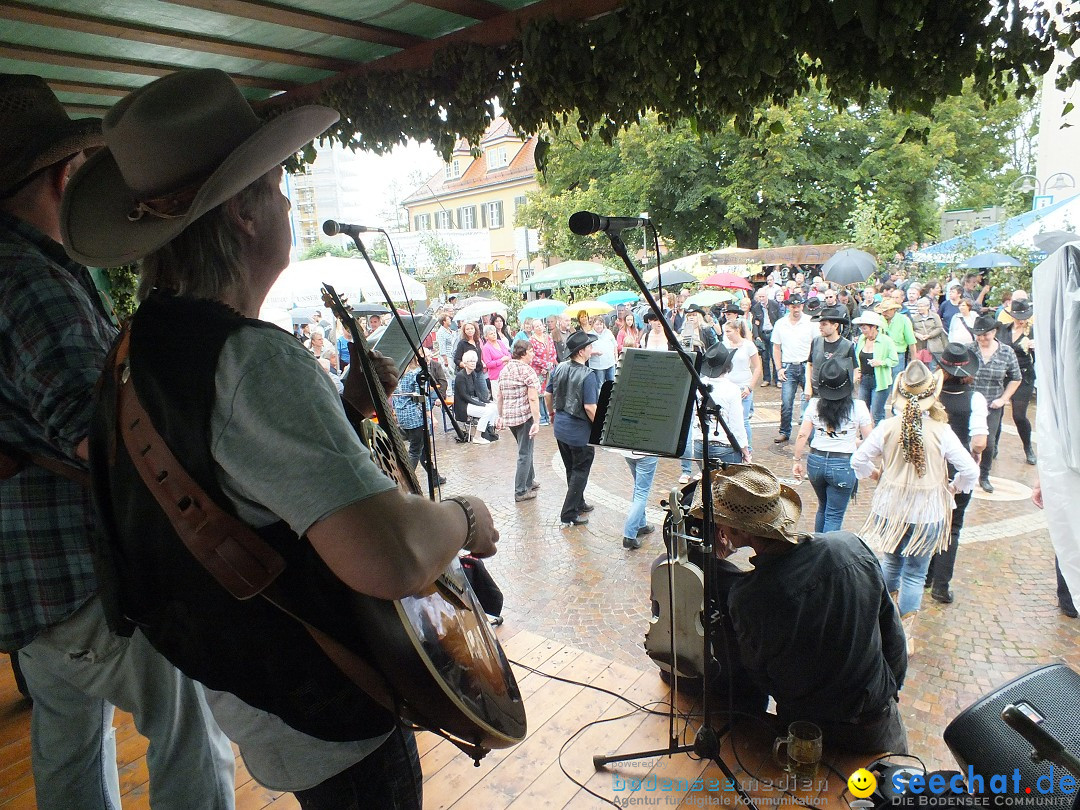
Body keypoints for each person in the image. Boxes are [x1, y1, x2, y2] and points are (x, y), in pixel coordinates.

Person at [67, 69, 500, 809]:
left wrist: (345, 406)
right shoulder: (250, 358)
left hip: (255, 685)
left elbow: (234, 473)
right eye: (276, 188)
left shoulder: (140, 346)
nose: (285, 204)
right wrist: (463, 517)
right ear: (242, 211)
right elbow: (387, 558)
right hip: (328, 702)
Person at [0, 72, 236, 809]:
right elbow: (96, 434)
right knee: (191, 724)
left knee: (68, 749)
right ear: (65, 173)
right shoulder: (31, 279)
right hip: (79, 577)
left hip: (21, 577)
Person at [703, 464, 909, 754]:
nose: (720, 528)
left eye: (722, 522)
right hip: (877, 720)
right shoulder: (850, 546)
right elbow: (892, 631)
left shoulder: (749, 596)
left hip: (807, 732)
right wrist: (888, 691)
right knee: (891, 798)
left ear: (738, 530)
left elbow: (761, 676)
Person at [851, 361, 980, 654]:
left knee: (891, 563)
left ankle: (882, 625)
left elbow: (857, 460)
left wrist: (876, 475)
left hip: (892, 509)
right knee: (914, 573)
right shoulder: (942, 431)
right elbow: (970, 471)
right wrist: (954, 487)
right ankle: (905, 636)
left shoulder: (886, 427)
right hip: (927, 512)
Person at [924, 343, 988, 605]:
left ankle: (925, 576)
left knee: (928, 522)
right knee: (952, 527)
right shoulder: (975, 399)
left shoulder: (929, 396)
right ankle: (940, 584)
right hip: (957, 472)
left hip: (928, 469)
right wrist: (975, 452)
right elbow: (980, 441)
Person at [792, 358, 873, 533]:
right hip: (843, 464)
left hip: (816, 461)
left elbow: (802, 434)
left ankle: (818, 549)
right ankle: (827, 556)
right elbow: (870, 440)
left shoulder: (814, 404)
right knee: (834, 515)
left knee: (823, 507)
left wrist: (797, 459)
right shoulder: (858, 407)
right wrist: (856, 445)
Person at [546, 330, 599, 528]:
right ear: (581, 351)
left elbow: (547, 394)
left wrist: (552, 414)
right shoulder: (588, 375)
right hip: (579, 433)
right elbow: (590, 407)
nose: (591, 350)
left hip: (561, 427)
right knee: (580, 471)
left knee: (571, 468)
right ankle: (569, 513)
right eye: (589, 347)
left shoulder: (559, 368)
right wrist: (599, 428)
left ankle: (580, 502)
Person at [968, 313, 1021, 492]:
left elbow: (1016, 378)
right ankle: (965, 472)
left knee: (988, 442)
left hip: (993, 402)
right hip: (970, 401)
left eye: (986, 334)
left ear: (994, 332)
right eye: (979, 335)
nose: (982, 338)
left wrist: (1004, 398)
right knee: (966, 438)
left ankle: (984, 475)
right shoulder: (969, 350)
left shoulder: (1006, 352)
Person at [687, 343, 752, 472]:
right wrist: (745, 450)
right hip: (725, 446)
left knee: (709, 485)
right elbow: (736, 424)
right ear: (727, 366)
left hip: (700, 445)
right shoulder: (732, 389)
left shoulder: (697, 386)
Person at [497, 340, 541, 502]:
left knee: (526, 449)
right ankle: (521, 491)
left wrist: (501, 415)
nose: (533, 354)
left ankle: (529, 481)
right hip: (524, 417)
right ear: (523, 353)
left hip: (510, 417)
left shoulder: (505, 369)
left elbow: (499, 396)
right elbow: (533, 398)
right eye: (531, 351)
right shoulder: (527, 371)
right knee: (525, 452)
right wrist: (536, 421)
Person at [392, 358, 445, 486]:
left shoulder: (397, 377)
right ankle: (405, 482)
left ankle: (434, 477)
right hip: (415, 418)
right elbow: (420, 397)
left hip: (403, 417)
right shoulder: (415, 375)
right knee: (415, 451)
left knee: (423, 449)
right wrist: (431, 416)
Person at [995, 298, 1036, 465]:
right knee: (996, 412)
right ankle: (993, 446)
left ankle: (1028, 447)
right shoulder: (1003, 330)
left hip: (1024, 376)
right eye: (1019, 316)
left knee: (1019, 415)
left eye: (1024, 316)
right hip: (1003, 375)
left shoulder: (1033, 332)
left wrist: (1036, 348)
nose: (1021, 319)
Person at [771, 294, 816, 443]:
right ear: (788, 306)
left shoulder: (810, 322)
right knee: (786, 402)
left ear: (802, 306)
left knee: (811, 401)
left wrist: (814, 366)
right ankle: (784, 431)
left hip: (806, 365)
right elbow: (776, 347)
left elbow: (817, 345)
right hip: (788, 365)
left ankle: (811, 434)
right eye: (793, 306)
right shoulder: (780, 324)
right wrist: (778, 368)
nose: (796, 309)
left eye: (798, 306)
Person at [721, 319, 761, 453]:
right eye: (725, 331)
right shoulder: (725, 345)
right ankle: (731, 447)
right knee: (727, 419)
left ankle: (747, 450)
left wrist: (750, 387)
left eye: (728, 331)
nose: (726, 334)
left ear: (737, 330)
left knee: (743, 421)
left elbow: (757, 367)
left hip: (743, 386)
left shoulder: (748, 345)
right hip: (727, 386)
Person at [852, 311, 898, 424]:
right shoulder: (862, 340)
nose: (863, 331)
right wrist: (857, 372)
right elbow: (857, 359)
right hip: (864, 380)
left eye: (865, 328)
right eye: (861, 328)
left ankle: (880, 438)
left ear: (873, 327)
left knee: (877, 413)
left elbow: (894, 360)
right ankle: (865, 437)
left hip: (880, 381)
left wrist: (881, 362)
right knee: (863, 411)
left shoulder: (886, 341)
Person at [453, 350, 499, 442]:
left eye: (474, 361)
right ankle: (477, 436)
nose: (473, 363)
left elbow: (477, 391)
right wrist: (481, 404)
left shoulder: (473, 374)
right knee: (487, 411)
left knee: (494, 406)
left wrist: (486, 401)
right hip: (463, 405)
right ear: (465, 362)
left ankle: (489, 431)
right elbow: (464, 396)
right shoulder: (460, 376)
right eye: (470, 361)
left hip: (472, 401)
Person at [751, 287, 782, 386]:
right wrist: (756, 336)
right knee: (765, 358)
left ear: (767, 296)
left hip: (773, 332)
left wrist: (779, 333)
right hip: (763, 334)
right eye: (759, 297)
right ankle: (766, 379)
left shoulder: (774, 304)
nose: (761, 299)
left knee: (775, 356)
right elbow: (755, 323)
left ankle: (777, 379)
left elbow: (779, 319)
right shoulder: (756, 308)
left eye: (763, 296)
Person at [877, 298, 915, 375]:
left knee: (896, 381)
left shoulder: (904, 320)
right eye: (882, 311)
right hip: (880, 356)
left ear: (894, 309)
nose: (884, 313)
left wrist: (914, 361)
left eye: (886, 311)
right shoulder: (878, 320)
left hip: (898, 356)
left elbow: (911, 342)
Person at [910, 297, 946, 367]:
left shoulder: (935, 316)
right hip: (920, 345)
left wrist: (929, 335)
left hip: (933, 345)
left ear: (927, 306)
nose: (919, 308)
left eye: (921, 306)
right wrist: (917, 335)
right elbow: (910, 330)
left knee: (933, 366)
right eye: (918, 306)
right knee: (920, 366)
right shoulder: (914, 318)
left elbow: (939, 328)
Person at [480, 324, 511, 400]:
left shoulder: (500, 342)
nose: (494, 335)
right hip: (496, 376)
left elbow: (508, 354)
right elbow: (488, 364)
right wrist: (501, 360)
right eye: (491, 334)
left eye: (494, 333)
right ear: (486, 337)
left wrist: (508, 358)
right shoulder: (486, 348)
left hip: (507, 373)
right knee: (498, 399)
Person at [587, 315, 618, 386]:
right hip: (598, 365)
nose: (599, 326)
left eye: (601, 324)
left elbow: (615, 345)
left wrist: (616, 356)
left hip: (610, 363)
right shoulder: (589, 335)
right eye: (597, 324)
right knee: (600, 385)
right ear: (593, 325)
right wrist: (595, 352)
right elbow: (586, 350)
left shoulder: (608, 332)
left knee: (612, 383)